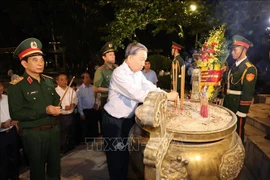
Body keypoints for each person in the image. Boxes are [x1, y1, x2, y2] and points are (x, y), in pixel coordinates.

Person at [102, 42, 178, 180]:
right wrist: (166, 97)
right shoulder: (119, 73)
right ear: (130, 58)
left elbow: (149, 86)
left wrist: (164, 94)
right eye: (141, 59)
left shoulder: (137, 73)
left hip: (127, 120)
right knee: (116, 159)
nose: (144, 63)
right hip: (114, 122)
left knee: (126, 156)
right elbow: (138, 94)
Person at [8, 37, 61, 180]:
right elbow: (16, 113)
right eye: (35, 60)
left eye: (41, 60)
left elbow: (56, 100)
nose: (40, 63)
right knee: (37, 172)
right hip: (34, 135)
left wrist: (58, 107)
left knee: (55, 170)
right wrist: (45, 110)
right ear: (24, 63)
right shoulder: (17, 86)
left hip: (53, 131)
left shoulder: (48, 82)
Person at [222, 35, 257, 142]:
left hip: (237, 105)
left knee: (238, 132)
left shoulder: (249, 69)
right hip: (228, 102)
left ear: (244, 49)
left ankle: (240, 153)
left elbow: (248, 93)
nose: (232, 52)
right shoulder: (234, 66)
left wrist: (242, 112)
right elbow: (228, 83)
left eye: (235, 49)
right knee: (228, 131)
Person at [0, 82, 19, 180]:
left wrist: (15, 119)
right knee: (2, 160)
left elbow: (14, 111)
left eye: (0, 85)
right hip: (1, 135)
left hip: (11, 132)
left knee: (14, 157)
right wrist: (1, 125)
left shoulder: (7, 98)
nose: (0, 88)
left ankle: (15, 177)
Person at [55, 73, 78, 153]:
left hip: (71, 114)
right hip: (62, 115)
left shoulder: (70, 89)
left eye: (65, 79)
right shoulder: (55, 91)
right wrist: (65, 107)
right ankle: (63, 149)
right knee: (63, 133)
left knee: (71, 131)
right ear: (57, 81)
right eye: (62, 79)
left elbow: (75, 99)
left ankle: (70, 147)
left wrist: (73, 104)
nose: (65, 81)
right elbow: (55, 104)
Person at [93, 42, 117, 108]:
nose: (113, 56)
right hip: (107, 98)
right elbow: (95, 89)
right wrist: (110, 89)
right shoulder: (100, 71)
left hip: (118, 98)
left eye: (113, 54)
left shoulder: (117, 68)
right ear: (104, 57)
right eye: (110, 55)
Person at [76, 72, 99, 142]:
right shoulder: (79, 90)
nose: (88, 79)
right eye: (86, 77)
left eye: (89, 77)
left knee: (93, 127)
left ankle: (93, 141)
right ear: (83, 79)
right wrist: (81, 113)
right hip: (85, 111)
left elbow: (97, 97)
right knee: (86, 128)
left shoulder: (93, 88)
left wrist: (97, 103)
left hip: (93, 110)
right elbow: (79, 102)